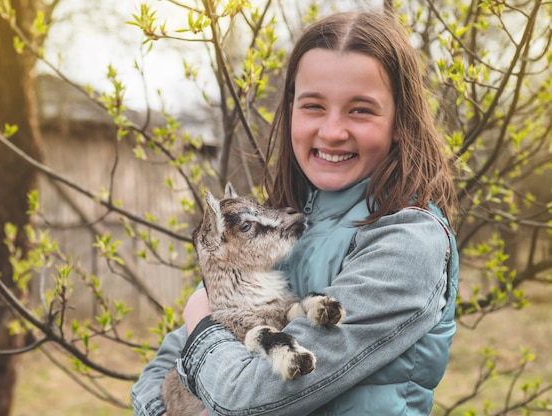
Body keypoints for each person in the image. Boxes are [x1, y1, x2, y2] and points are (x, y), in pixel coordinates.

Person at [131, 9, 459, 416]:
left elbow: (249, 398)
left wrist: (201, 326)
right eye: (314, 106)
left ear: (399, 121)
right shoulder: (284, 232)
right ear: (290, 111)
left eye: (361, 109)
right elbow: (161, 369)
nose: (332, 131)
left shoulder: (408, 242)